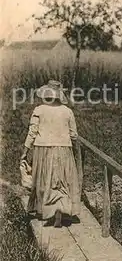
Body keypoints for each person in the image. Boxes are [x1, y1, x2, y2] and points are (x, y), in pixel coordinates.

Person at [21, 80, 80, 228]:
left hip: (43, 148)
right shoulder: (67, 111)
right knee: (61, 181)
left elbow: (32, 132)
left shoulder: (39, 110)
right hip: (63, 149)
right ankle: (60, 212)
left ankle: (46, 210)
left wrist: (25, 151)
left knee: (45, 179)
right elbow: (74, 135)